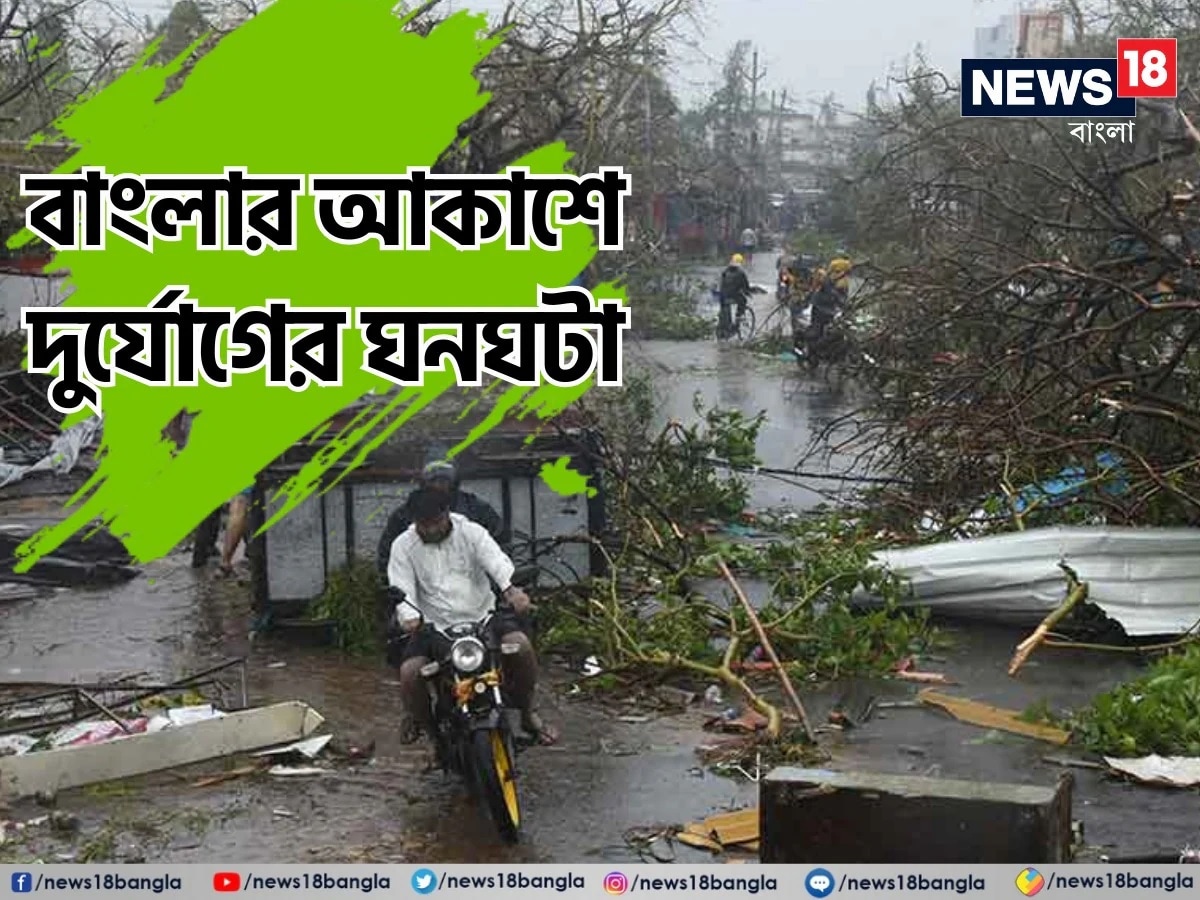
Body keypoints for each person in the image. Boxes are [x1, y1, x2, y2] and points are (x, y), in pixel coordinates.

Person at [389, 488, 558, 748]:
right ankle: (434, 738)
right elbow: (401, 587)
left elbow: (496, 562)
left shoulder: (471, 532)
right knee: (410, 674)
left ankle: (527, 713)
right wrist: (409, 617)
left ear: (446, 513)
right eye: (424, 525)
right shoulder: (402, 546)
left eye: (436, 522)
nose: (431, 529)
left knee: (521, 647)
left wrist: (511, 590)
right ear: (414, 521)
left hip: (484, 618)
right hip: (434, 627)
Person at [374, 457, 509, 581]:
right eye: (434, 481)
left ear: (454, 482)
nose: (439, 486)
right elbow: (388, 557)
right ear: (424, 483)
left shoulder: (477, 510)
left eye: (444, 480)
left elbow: (500, 548)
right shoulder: (404, 514)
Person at [717, 253, 752, 340]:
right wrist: (748, 292)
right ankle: (739, 316)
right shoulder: (741, 273)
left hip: (723, 297)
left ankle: (724, 328)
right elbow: (745, 286)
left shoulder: (725, 272)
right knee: (743, 300)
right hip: (734, 297)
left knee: (723, 308)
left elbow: (721, 284)